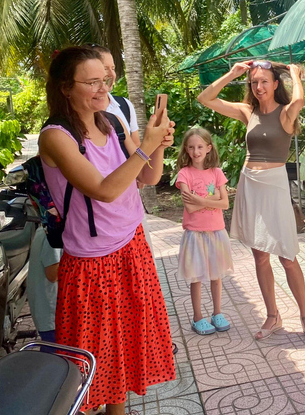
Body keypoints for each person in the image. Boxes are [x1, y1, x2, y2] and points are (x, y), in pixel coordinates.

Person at [38, 46, 176, 415]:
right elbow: (103, 189)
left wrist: (157, 145)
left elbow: (148, 176)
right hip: (92, 263)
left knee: (127, 352)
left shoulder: (110, 123)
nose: (103, 88)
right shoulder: (56, 137)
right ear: (66, 87)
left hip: (132, 246)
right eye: (92, 82)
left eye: (106, 79)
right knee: (94, 362)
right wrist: (145, 147)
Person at [197, 60, 305, 342]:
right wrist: (233, 73)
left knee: (287, 256)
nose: (259, 87)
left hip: (274, 186)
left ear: (276, 84)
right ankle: (272, 315)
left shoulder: (287, 113)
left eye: (264, 81)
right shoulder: (247, 112)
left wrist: (292, 73)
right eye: (254, 82)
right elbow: (205, 98)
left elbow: (299, 98)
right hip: (249, 183)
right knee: (260, 255)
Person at [175, 127, 234, 335]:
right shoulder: (184, 174)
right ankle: (197, 316)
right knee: (197, 277)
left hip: (216, 232)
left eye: (200, 147)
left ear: (208, 148)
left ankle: (217, 313)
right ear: (186, 150)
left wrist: (200, 199)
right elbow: (189, 208)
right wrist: (212, 200)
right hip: (195, 233)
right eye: (191, 147)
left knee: (216, 275)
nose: (196, 151)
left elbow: (225, 203)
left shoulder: (216, 173)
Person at [87, 44, 141, 147]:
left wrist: (158, 144)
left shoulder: (125, 105)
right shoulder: (83, 113)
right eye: (105, 68)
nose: (112, 74)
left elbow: (136, 151)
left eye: (113, 68)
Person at [27, 227, 61, 342]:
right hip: (51, 313)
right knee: (55, 354)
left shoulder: (45, 229)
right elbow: (52, 275)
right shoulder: (54, 234)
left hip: (48, 310)